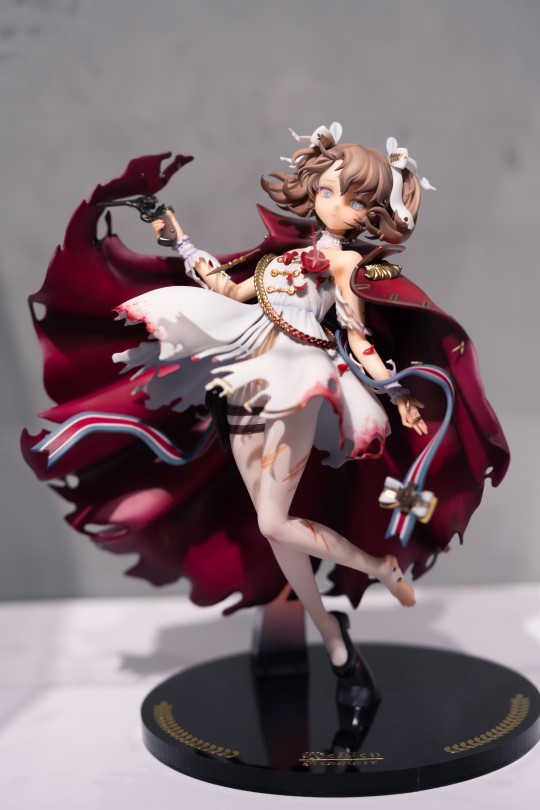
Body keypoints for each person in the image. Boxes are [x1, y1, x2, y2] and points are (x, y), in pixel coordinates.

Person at [23, 125, 509, 684]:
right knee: (272, 526)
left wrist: (395, 392)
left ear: (374, 214)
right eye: (329, 191)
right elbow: (231, 292)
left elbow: (358, 338)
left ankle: (378, 565)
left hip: (299, 375)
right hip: (245, 367)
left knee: (274, 521)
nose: (338, 205)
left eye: (356, 201)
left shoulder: (346, 266)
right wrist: (179, 239)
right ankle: (332, 637)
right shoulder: (284, 258)